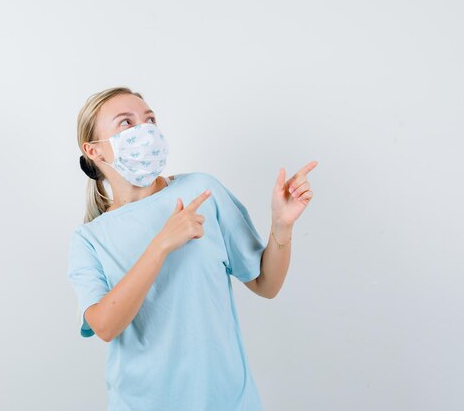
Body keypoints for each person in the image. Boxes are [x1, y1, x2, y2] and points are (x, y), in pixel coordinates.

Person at [67, 86, 317, 411]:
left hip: (230, 401)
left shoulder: (201, 190)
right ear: (95, 151)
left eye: (150, 119)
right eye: (126, 123)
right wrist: (161, 244)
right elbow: (105, 326)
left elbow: (265, 284)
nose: (145, 130)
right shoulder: (89, 239)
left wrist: (281, 227)